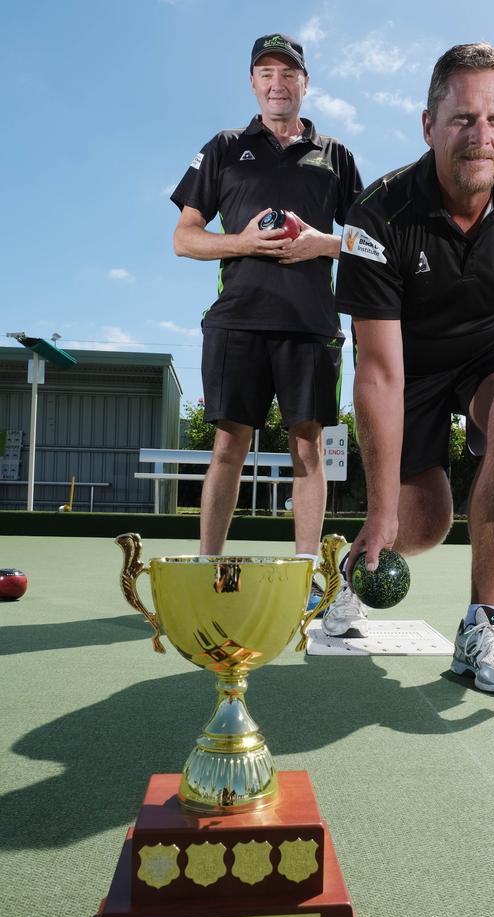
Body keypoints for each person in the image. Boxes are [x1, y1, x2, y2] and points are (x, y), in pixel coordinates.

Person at [327, 43, 494, 694]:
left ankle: (481, 625)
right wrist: (383, 509)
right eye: (464, 118)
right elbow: (378, 372)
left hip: (484, 357)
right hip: (405, 370)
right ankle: (351, 560)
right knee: (422, 527)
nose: (481, 136)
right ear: (428, 125)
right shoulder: (374, 216)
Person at [171, 33, 362, 581]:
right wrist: (245, 242)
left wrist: (321, 243)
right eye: (266, 73)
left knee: (309, 448)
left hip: (311, 324)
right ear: (253, 83)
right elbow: (185, 239)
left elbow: (370, 241)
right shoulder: (224, 147)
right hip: (237, 320)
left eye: (289, 73)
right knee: (229, 446)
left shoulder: (337, 155)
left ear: (305, 83)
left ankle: (305, 578)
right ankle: (210, 569)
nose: (277, 83)